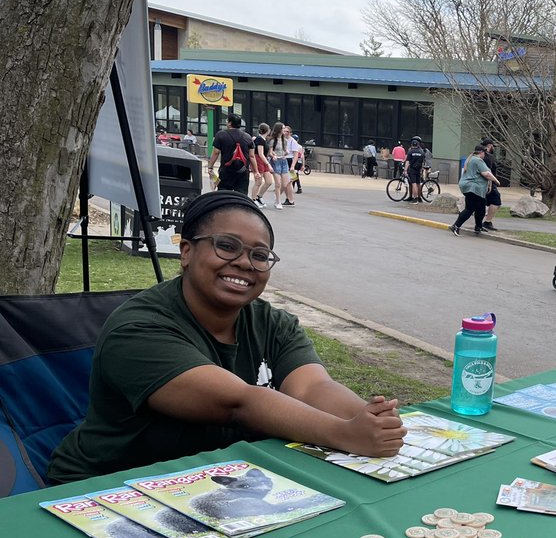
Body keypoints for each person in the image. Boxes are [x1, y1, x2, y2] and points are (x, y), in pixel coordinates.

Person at [47, 192, 408, 483]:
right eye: (227, 246)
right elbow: (238, 403)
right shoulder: (138, 329)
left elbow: (312, 389)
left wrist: (367, 418)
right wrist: (345, 434)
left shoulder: (273, 323)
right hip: (108, 487)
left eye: (259, 254)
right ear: (186, 251)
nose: (244, 262)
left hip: (215, 481)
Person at [449, 143, 500, 236]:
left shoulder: (470, 159)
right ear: (481, 152)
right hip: (474, 188)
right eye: (484, 153)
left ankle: (478, 226)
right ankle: (456, 226)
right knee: (470, 208)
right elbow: (486, 173)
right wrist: (496, 181)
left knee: (481, 206)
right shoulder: (478, 160)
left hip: (468, 187)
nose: (485, 155)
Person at [207, 114, 255, 195]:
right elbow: (251, 156)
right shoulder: (248, 137)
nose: (226, 122)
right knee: (241, 195)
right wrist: (256, 171)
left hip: (226, 170)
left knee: (223, 194)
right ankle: (239, 207)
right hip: (243, 171)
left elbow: (216, 152)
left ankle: (224, 207)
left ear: (230, 123)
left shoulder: (221, 134)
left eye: (227, 120)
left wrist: (210, 166)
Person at [266, 122, 290, 209]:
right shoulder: (273, 140)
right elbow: (270, 151)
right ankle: (278, 201)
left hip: (283, 161)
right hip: (276, 161)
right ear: (279, 129)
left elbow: (286, 150)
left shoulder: (285, 140)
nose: (285, 130)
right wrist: (273, 155)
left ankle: (277, 198)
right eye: (283, 128)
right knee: (278, 183)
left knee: (285, 184)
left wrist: (286, 152)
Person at [481, 137, 501, 230]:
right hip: (489, 183)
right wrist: (491, 184)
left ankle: (484, 222)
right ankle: (487, 222)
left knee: (484, 202)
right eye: (493, 146)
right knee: (496, 201)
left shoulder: (482, 156)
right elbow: (487, 171)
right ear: (489, 146)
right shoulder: (488, 157)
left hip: (485, 183)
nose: (494, 148)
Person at [250, 123, 273, 206]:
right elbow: (260, 153)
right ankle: (253, 199)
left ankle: (259, 196)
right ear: (268, 130)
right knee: (258, 182)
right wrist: (268, 164)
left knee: (269, 181)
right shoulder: (259, 139)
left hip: (263, 160)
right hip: (259, 161)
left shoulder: (262, 139)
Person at [283, 126, 302, 201]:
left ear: (290, 133)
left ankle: (290, 199)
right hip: (284, 160)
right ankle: (288, 198)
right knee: (287, 181)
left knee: (290, 180)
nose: (285, 133)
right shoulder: (282, 140)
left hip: (291, 161)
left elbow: (296, 154)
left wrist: (293, 166)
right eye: (284, 131)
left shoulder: (293, 141)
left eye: (287, 131)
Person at [406, 136, 426, 201]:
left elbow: (407, 161)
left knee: (413, 183)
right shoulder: (422, 151)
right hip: (418, 169)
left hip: (411, 169)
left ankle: (414, 198)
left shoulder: (410, 151)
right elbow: (423, 161)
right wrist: (421, 169)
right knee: (418, 183)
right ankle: (419, 197)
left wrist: (405, 170)